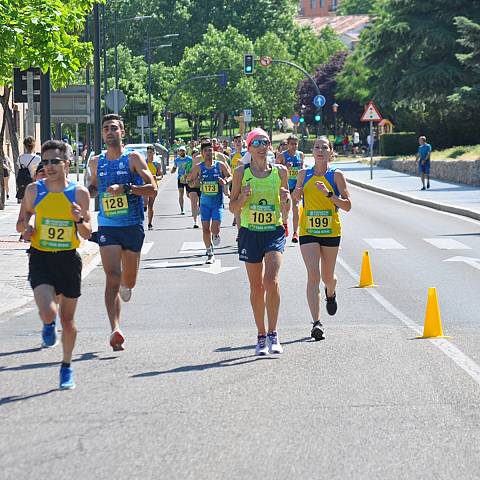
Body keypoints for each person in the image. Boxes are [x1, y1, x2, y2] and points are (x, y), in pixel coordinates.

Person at [20, 140, 92, 389]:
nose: (49, 167)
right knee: (49, 311)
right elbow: (22, 221)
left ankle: (66, 366)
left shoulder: (78, 193)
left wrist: (79, 218)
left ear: (66, 164)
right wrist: (27, 228)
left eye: (54, 162)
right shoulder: (33, 190)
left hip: (68, 260)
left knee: (69, 321)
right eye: (45, 162)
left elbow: (87, 232)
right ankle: (48, 324)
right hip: (41, 258)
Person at [87, 114, 157, 352]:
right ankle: (114, 328)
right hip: (108, 225)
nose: (109, 132)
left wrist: (126, 188)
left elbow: (152, 188)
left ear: (122, 133)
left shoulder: (133, 159)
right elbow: (94, 187)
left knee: (128, 281)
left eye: (114, 128)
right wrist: (85, 194)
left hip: (132, 225)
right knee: (112, 277)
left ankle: (128, 286)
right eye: (105, 128)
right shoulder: (96, 162)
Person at [229, 128, 290, 355]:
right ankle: (261, 335)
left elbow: (286, 208)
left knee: (271, 281)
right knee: (256, 287)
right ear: (249, 148)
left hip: (273, 231)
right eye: (257, 143)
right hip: (249, 232)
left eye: (265, 142)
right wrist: (243, 197)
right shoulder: (240, 172)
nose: (262, 146)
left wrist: (286, 202)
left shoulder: (280, 172)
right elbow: (233, 207)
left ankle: (274, 334)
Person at [292, 137, 351, 341]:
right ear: (312, 152)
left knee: (328, 278)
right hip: (308, 230)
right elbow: (295, 198)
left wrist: (328, 195)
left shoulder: (336, 176)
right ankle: (316, 323)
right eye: (316, 147)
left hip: (331, 231)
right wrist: (294, 194)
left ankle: (331, 292)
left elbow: (347, 206)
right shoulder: (303, 174)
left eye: (324, 147)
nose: (320, 150)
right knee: (313, 275)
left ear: (330, 152)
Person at [189, 139, 232, 264]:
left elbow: (230, 175)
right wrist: (193, 182)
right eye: (206, 151)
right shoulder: (198, 167)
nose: (208, 153)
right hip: (204, 204)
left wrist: (225, 181)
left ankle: (216, 235)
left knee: (215, 228)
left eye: (210, 150)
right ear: (202, 153)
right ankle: (209, 252)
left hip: (217, 203)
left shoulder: (220, 165)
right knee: (205, 229)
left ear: (214, 152)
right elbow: (190, 181)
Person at [276, 134, 304, 242]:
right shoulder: (281, 156)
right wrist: (285, 167)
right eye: (292, 144)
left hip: (296, 186)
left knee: (296, 207)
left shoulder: (300, 155)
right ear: (288, 144)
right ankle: (285, 223)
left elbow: (302, 169)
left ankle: (296, 233)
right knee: (285, 208)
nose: (294, 146)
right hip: (285, 186)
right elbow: (275, 171)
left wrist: (302, 183)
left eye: (296, 144)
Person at [16, 136, 41, 201]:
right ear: (34, 146)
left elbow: (19, 167)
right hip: (34, 182)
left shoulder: (20, 158)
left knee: (25, 201)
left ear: (24, 146)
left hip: (23, 183)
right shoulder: (38, 158)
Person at [170, 146, 191, 215]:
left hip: (188, 179)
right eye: (180, 151)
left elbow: (192, 167)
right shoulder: (177, 160)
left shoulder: (189, 159)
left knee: (189, 195)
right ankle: (182, 209)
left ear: (185, 151)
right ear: (179, 152)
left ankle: (195, 205)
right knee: (181, 194)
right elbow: (175, 167)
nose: (182, 152)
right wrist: (172, 170)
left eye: (183, 151)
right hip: (180, 179)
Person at [145, 145, 161, 230]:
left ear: (154, 153)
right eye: (148, 152)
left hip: (153, 187)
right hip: (144, 186)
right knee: (144, 202)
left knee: (150, 206)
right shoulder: (143, 163)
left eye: (151, 152)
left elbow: (160, 176)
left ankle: (150, 223)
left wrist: (155, 177)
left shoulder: (157, 164)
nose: (149, 154)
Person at [185, 148, 201, 229]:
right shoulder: (189, 164)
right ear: (191, 157)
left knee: (202, 204)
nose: (196, 158)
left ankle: (200, 212)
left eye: (197, 156)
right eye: (194, 156)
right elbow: (187, 176)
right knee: (193, 203)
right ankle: (195, 221)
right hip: (192, 185)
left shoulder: (202, 163)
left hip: (201, 186)